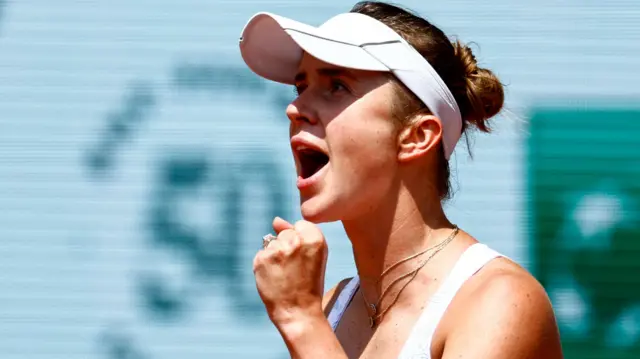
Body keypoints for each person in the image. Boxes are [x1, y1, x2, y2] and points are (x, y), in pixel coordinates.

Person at [239, 1, 564, 358]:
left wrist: (299, 318)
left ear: (417, 137)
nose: (294, 108)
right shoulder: (333, 308)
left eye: (336, 86)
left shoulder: (499, 300)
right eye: (300, 88)